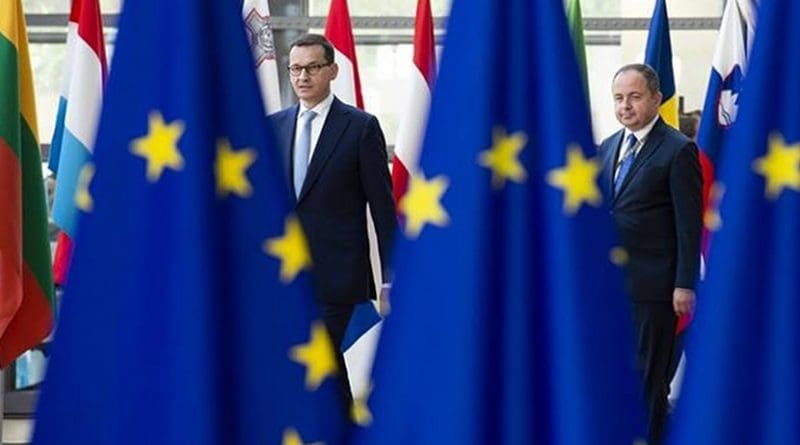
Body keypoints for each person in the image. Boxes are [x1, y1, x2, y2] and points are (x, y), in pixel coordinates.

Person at [270, 33, 397, 412]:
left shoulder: (360, 127)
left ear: (332, 70)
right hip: (283, 271)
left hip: (337, 276)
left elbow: (383, 206)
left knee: (321, 357)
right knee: (313, 367)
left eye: (312, 67)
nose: (302, 77)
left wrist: (391, 273)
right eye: (295, 68)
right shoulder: (272, 126)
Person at [599, 63, 702, 445]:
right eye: (619, 98)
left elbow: (688, 225)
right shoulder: (607, 147)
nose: (625, 106)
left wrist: (684, 284)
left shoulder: (679, 150)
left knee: (646, 377)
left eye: (634, 97)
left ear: (657, 99)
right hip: (612, 287)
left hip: (654, 287)